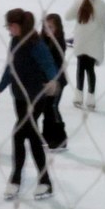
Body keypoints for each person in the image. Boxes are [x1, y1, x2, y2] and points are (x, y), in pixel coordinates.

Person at [0, 9, 58, 201]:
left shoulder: (35, 44)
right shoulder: (14, 41)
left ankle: (18, 179)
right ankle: (43, 181)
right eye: (8, 26)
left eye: (11, 26)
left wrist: (53, 81)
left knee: (20, 133)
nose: (9, 30)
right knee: (30, 135)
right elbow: (10, 67)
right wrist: (0, 88)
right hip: (20, 97)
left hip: (36, 97)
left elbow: (49, 65)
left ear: (22, 25)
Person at [64, 0, 105, 111]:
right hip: (94, 42)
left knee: (80, 68)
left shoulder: (79, 1)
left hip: (81, 41)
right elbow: (103, 25)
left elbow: (67, 16)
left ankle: (78, 96)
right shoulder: (103, 6)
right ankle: (91, 98)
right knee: (90, 70)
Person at [40, 14, 68, 151]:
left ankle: (61, 137)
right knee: (47, 108)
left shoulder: (59, 44)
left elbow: (56, 64)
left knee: (53, 106)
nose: (47, 30)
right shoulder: (43, 42)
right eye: (45, 27)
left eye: (50, 27)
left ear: (57, 28)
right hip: (47, 81)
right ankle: (46, 135)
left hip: (57, 81)